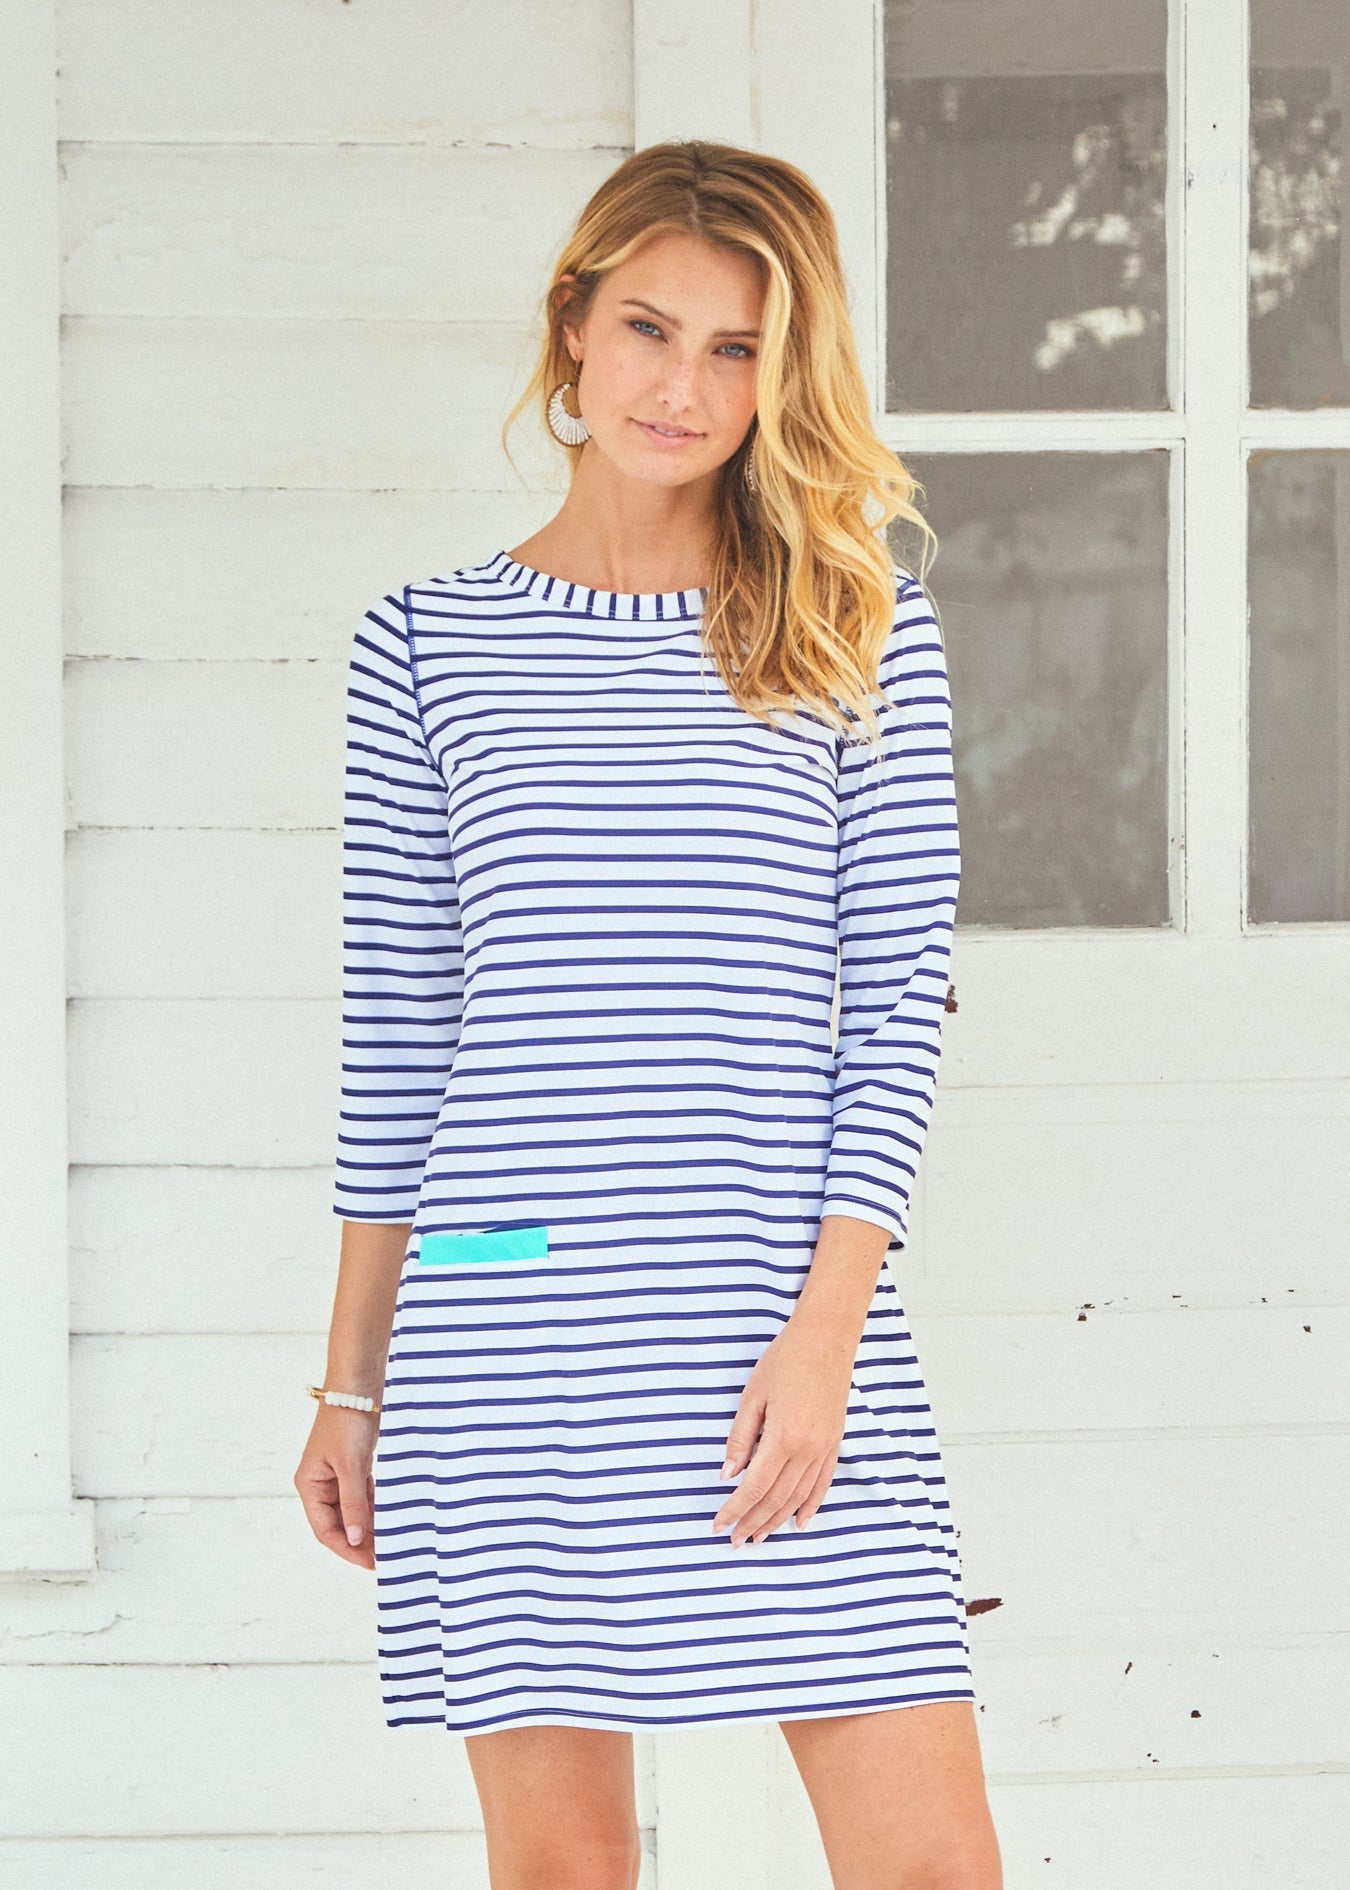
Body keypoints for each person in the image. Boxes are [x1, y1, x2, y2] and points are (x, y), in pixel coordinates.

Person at [295, 140, 1003, 1890]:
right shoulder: (427, 644)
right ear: (573, 335)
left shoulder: (856, 628)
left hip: (777, 1326)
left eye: (739, 348)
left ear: (788, 375)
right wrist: (350, 1385)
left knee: (928, 1863)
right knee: (563, 1872)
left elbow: (891, 1010)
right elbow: (400, 1038)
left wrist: (825, 1334)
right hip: (510, 1334)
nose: (685, 385)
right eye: (649, 329)